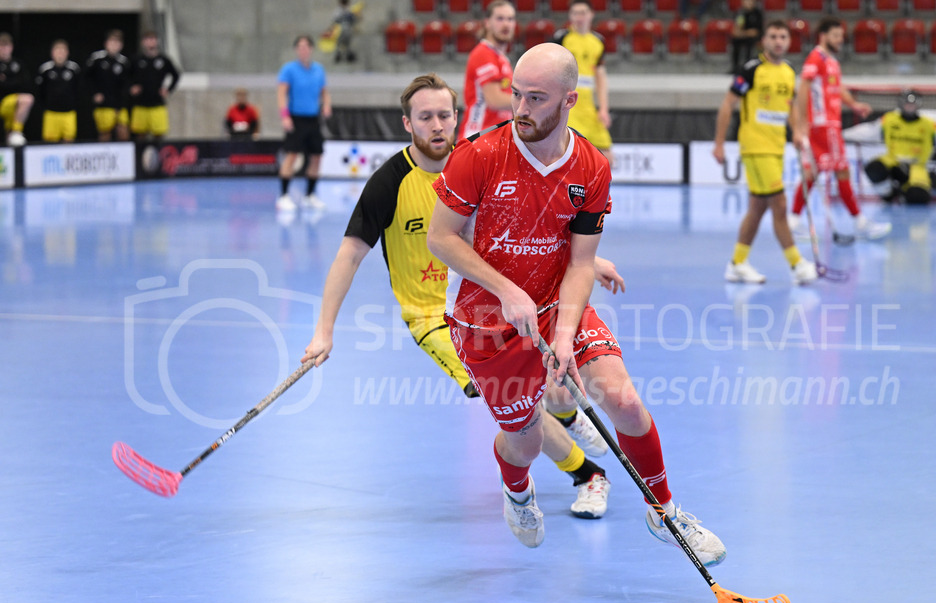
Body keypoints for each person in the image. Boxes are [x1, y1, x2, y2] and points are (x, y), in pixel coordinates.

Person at [427, 43, 727, 563]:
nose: (520, 109)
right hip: (484, 323)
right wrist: (506, 288)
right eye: (517, 95)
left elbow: (581, 262)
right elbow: (441, 238)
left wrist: (564, 335)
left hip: (553, 300)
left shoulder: (590, 167)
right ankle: (518, 493)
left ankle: (664, 509)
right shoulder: (478, 155)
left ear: (570, 100)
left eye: (536, 98)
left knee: (624, 400)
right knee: (521, 441)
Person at [302, 73, 617, 518]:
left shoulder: (478, 160)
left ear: (457, 117)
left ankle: (566, 416)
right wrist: (323, 331)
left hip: (501, 296)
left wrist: (589, 261)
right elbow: (348, 256)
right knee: (513, 398)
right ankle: (587, 474)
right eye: (424, 117)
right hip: (435, 317)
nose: (437, 125)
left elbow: (534, 224)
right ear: (407, 123)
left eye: (444, 115)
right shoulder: (388, 183)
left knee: (549, 378)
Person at [714, 21, 817, 286]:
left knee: (758, 208)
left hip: (776, 148)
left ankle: (737, 263)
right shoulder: (751, 70)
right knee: (780, 205)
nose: (778, 41)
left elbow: (790, 106)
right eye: (773, 36)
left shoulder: (788, 71)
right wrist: (719, 143)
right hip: (755, 146)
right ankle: (797, 264)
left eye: (783, 36)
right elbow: (728, 105)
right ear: (764, 41)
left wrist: (796, 131)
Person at [787, 17, 891, 244]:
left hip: (829, 124)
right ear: (823, 36)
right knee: (841, 171)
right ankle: (861, 223)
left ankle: (793, 222)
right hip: (824, 126)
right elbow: (803, 88)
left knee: (811, 174)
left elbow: (836, 88)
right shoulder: (816, 58)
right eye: (835, 36)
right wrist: (802, 122)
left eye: (841, 36)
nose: (840, 40)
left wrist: (854, 104)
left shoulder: (831, 61)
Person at [552, 0, 613, 164]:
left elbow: (600, 77)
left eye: (583, 12)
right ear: (570, 16)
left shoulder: (598, 41)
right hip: (568, 107)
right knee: (569, 157)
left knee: (608, 159)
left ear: (591, 14)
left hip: (588, 108)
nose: (579, 17)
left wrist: (604, 109)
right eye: (575, 13)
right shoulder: (562, 38)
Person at [276, 35, 331, 212]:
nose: (303, 50)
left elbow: (324, 91)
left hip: (313, 118)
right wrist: (285, 116)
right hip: (296, 118)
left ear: (311, 49)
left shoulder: (318, 70)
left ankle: (310, 195)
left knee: (317, 156)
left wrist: (327, 105)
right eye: (300, 47)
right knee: (292, 155)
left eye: (306, 46)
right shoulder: (289, 70)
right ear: (296, 50)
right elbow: (282, 93)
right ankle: (283, 196)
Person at [860, 90, 936, 205]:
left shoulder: (929, 124)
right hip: (893, 161)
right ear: (901, 104)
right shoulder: (889, 119)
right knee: (874, 168)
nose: (910, 107)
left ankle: (905, 193)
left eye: (913, 104)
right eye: (907, 104)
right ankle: (888, 193)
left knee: (917, 197)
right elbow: (867, 130)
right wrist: (840, 134)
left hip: (916, 166)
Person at [459, 0, 516, 140]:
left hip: (495, 136)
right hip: (478, 136)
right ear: (487, 23)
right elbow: (494, 100)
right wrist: (531, 100)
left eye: (510, 19)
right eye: (500, 18)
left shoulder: (501, 58)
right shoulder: (484, 53)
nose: (506, 24)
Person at [128, 30, 180, 142]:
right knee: (140, 135)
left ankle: (158, 158)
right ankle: (140, 158)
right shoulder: (137, 60)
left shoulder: (163, 60)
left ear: (156, 42)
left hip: (157, 104)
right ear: (143, 43)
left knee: (159, 134)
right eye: (147, 40)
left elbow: (176, 75)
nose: (150, 43)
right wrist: (131, 87)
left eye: (152, 39)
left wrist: (168, 89)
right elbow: (126, 76)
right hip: (140, 104)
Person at [85, 29, 131, 142]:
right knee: (105, 133)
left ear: (121, 45)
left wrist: (122, 101)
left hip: (119, 104)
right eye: (112, 42)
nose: (114, 45)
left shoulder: (124, 62)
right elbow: (86, 78)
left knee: (123, 132)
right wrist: (94, 93)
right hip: (103, 104)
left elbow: (127, 83)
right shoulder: (97, 59)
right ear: (106, 43)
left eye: (117, 43)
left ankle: (123, 157)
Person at [36, 40, 82, 143]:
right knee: (50, 143)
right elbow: (40, 91)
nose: (60, 54)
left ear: (67, 53)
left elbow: (79, 89)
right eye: (57, 51)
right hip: (51, 113)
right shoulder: (45, 69)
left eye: (63, 51)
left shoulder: (74, 69)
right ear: (52, 53)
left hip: (69, 112)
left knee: (69, 141)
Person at [0, 33, 34, 146]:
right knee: (26, 99)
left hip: (14, 102)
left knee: (27, 99)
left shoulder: (18, 64)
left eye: (6, 46)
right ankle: (15, 132)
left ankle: (15, 132)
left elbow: (25, 83)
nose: (4, 49)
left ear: (11, 47)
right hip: (3, 103)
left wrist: (6, 81)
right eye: (1, 46)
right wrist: (13, 83)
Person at [730, 0, 764, 76]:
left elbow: (756, 32)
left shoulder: (758, 13)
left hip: (756, 37)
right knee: (735, 41)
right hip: (744, 36)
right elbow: (737, 30)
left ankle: (747, 67)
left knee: (750, 42)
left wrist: (744, 33)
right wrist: (745, 33)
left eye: (750, 2)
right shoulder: (741, 13)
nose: (748, 3)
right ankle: (735, 67)